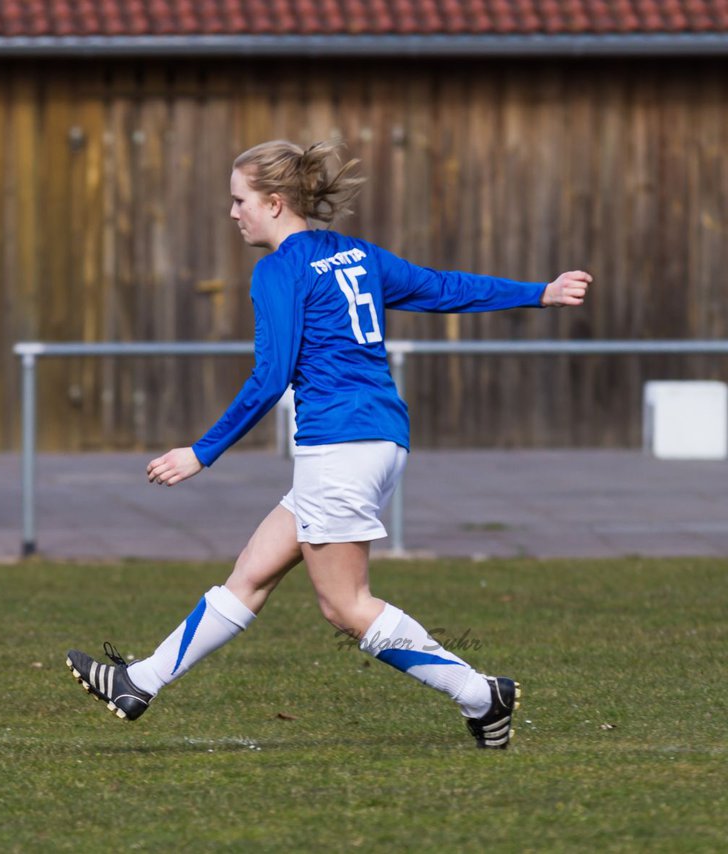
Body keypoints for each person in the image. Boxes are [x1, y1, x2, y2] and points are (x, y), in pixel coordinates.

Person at [66, 139, 591, 749]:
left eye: (240, 201)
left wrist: (200, 452)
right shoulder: (355, 255)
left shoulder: (278, 271)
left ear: (275, 202)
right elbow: (441, 287)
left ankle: (481, 694)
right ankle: (139, 683)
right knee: (251, 577)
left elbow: (270, 377)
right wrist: (540, 292)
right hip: (381, 439)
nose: (233, 213)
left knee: (346, 606)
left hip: (338, 447)